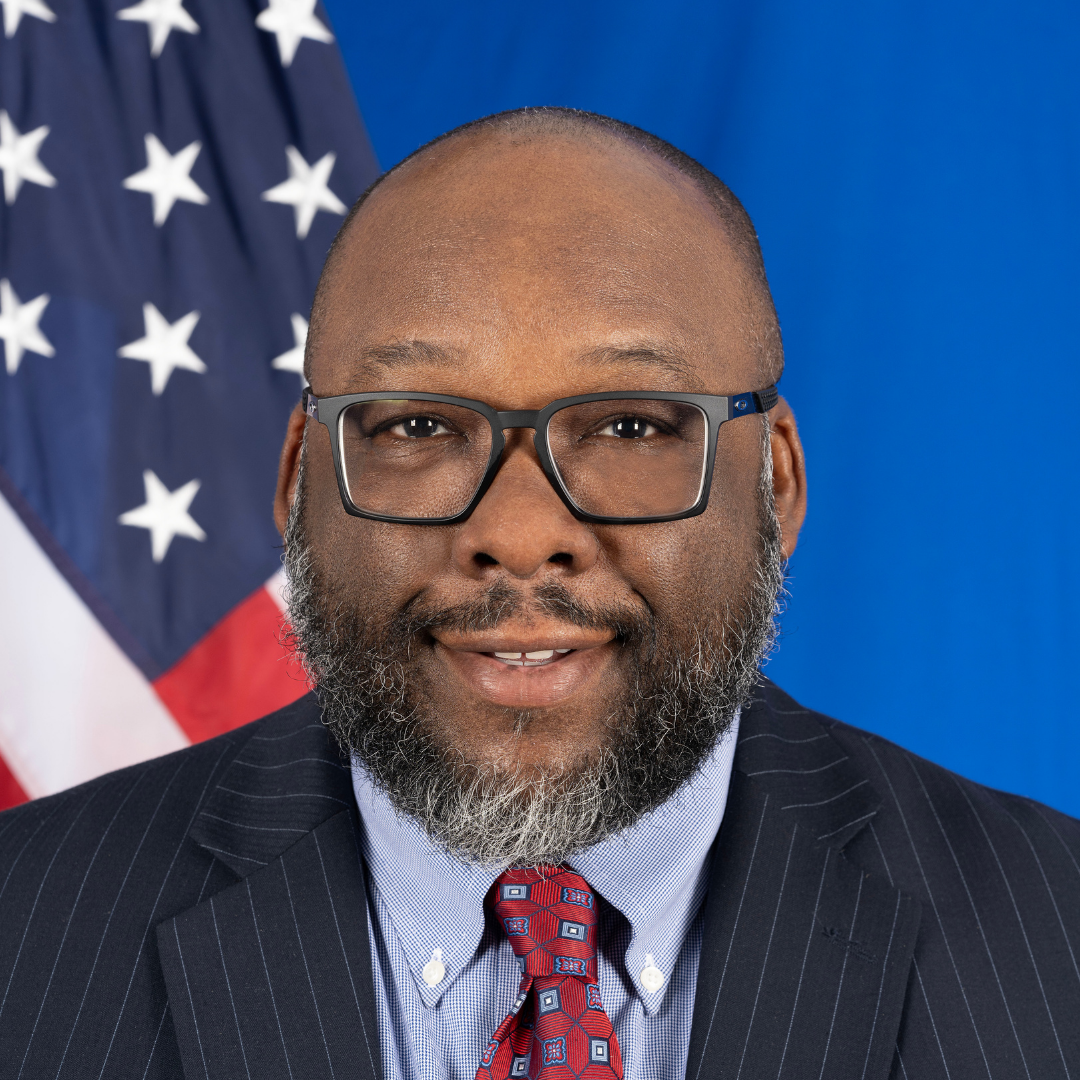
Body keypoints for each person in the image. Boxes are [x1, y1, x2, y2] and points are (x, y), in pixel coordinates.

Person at [0, 108, 1077, 1080]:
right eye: (417, 427)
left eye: (632, 427)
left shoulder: (1056, 938)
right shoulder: (23, 935)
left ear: (777, 486)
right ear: (297, 487)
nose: (518, 537)